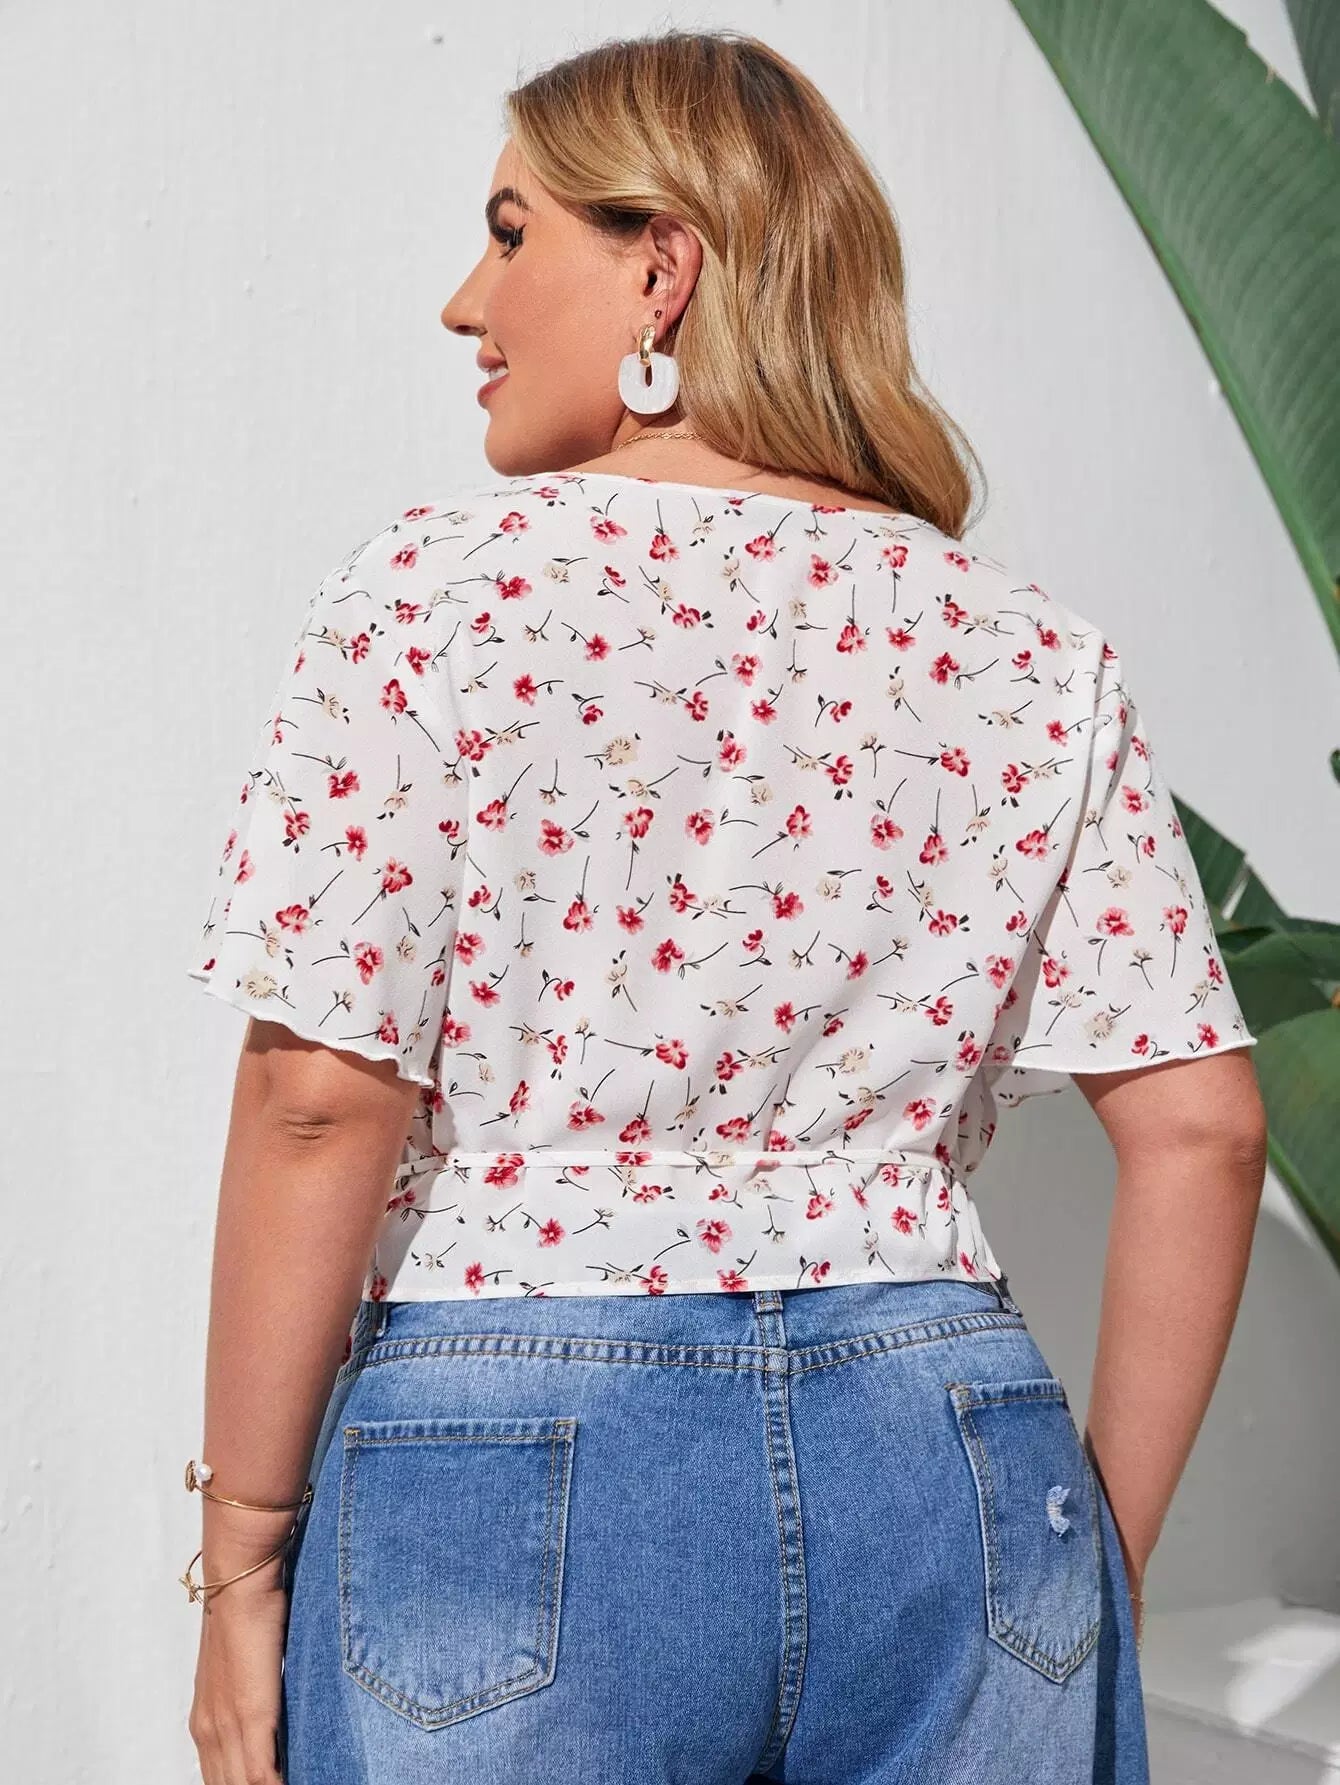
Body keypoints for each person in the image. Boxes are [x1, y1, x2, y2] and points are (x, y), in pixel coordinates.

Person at [181, 28, 1266, 1785]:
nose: (467, 302)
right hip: (946, 1443)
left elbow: (319, 1099)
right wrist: (1097, 1574)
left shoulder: (430, 600)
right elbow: (1206, 1129)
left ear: (662, 271)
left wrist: (238, 1558)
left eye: (512, 233)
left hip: (512, 1440)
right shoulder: (1025, 649)